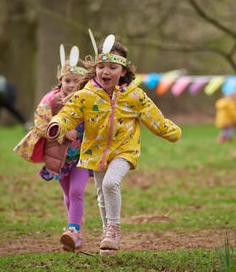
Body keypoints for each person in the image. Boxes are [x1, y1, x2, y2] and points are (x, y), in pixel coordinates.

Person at [45, 33, 182, 255]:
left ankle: (114, 230)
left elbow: (154, 118)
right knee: (101, 193)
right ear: (96, 69)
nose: (106, 72)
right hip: (95, 152)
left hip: (124, 151)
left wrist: (171, 132)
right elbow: (69, 114)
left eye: (112, 67)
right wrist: (57, 124)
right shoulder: (86, 95)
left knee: (110, 184)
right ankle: (106, 237)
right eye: (102, 67)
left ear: (123, 71)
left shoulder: (134, 96)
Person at [14, 45, 90, 252]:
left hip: (82, 157)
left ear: (83, 83)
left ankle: (73, 230)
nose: (71, 85)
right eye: (67, 81)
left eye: (76, 81)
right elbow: (40, 124)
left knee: (76, 191)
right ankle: (76, 231)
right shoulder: (50, 100)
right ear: (61, 81)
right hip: (59, 157)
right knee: (67, 194)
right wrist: (62, 132)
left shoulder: (89, 99)